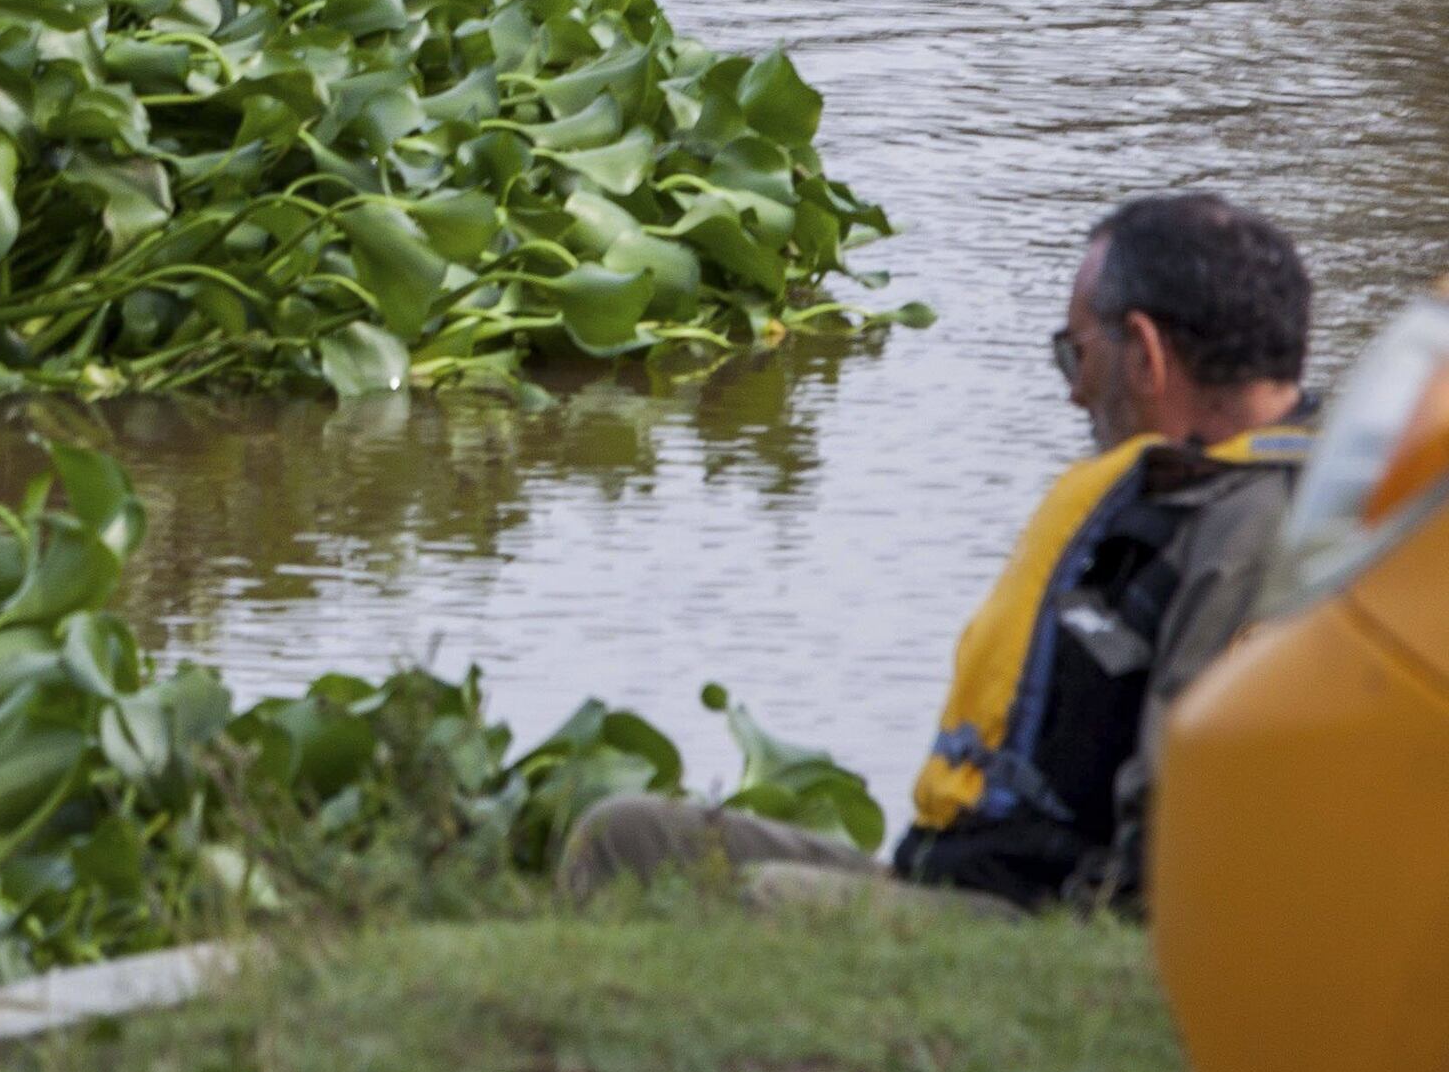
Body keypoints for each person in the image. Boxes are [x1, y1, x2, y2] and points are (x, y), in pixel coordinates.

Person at [559, 192, 1318, 914]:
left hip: (1045, 918)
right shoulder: (1168, 494)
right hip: (955, 874)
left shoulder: (1259, 534)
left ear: (1145, 355)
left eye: (1074, 354)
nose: (1074, 395)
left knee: (761, 903)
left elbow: (1184, 841)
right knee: (623, 836)